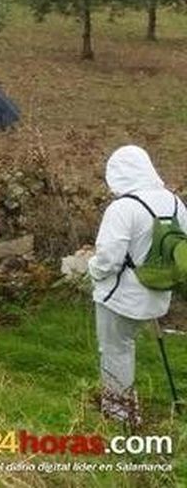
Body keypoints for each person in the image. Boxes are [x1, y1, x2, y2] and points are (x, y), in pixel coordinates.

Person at [87, 145, 183, 426]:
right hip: (159, 292)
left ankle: (120, 413)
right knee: (125, 344)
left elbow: (108, 259)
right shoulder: (175, 203)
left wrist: (92, 270)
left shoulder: (123, 208)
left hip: (122, 298)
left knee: (116, 349)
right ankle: (123, 405)